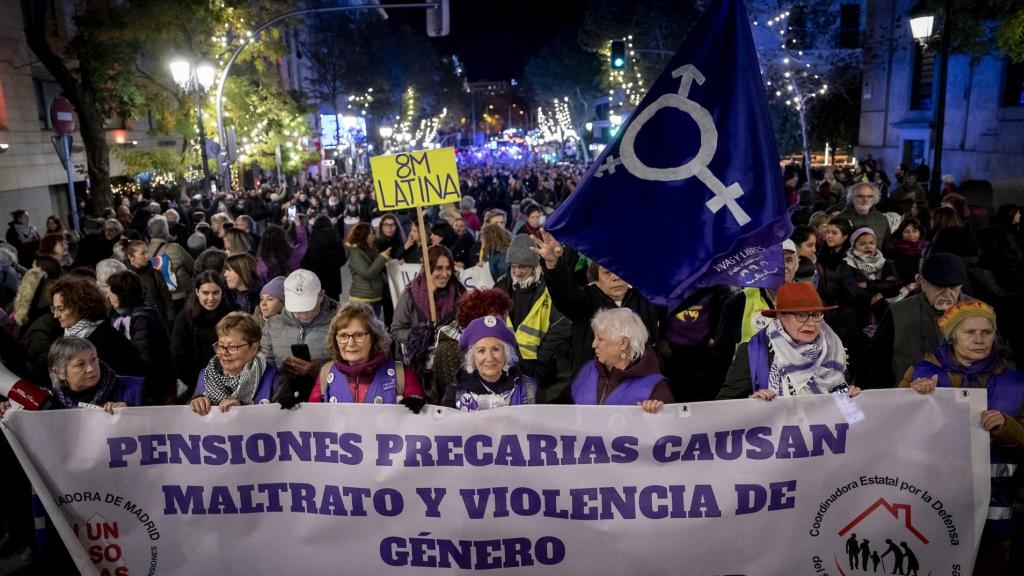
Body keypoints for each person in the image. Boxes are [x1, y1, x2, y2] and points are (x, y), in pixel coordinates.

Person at [901, 301, 1020, 574]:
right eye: (969, 332)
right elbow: (894, 432)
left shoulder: (1016, 382)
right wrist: (913, 400)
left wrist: (1006, 427)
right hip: (933, 500)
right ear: (952, 336)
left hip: (995, 506)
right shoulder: (920, 374)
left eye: (986, 332)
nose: (979, 339)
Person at [532, 229, 661, 381]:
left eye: (620, 271)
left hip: (637, 380)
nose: (616, 278)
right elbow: (564, 296)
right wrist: (554, 264)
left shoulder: (643, 299)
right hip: (592, 381)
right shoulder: (585, 299)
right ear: (596, 279)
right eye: (607, 273)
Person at [718, 282, 859, 400]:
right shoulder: (754, 351)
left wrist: (850, 400)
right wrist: (751, 404)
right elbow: (724, 406)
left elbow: (844, 411)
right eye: (801, 315)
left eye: (816, 315)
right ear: (780, 316)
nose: (811, 323)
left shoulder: (833, 349)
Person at [869, 253, 973, 389]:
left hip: (965, 396)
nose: (947, 294)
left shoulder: (979, 313)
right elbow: (877, 364)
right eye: (939, 287)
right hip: (908, 396)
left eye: (953, 288)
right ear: (923, 283)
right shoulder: (898, 314)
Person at [23, 275, 143, 386]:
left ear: (81, 306)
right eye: (54, 309)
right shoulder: (66, 336)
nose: (56, 315)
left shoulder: (107, 340)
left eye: (61, 309)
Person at [495, 234, 570, 393]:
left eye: (522, 266)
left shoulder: (549, 288)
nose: (517, 272)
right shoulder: (500, 287)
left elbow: (561, 326)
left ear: (534, 265)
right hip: (505, 365)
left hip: (540, 368)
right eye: (513, 266)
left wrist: (541, 361)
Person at [309, 302, 424, 405]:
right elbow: (312, 418)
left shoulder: (402, 374)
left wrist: (415, 408)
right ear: (335, 340)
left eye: (359, 335)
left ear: (374, 338)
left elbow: (421, 419)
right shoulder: (325, 374)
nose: (350, 343)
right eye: (343, 336)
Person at [0, 337, 143, 417]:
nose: (91, 368)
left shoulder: (136, 388)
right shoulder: (49, 403)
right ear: (60, 373)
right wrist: (13, 412)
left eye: (93, 359)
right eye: (80, 364)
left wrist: (132, 414)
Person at [569, 308, 672, 412]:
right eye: (594, 338)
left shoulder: (655, 386)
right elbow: (564, 407)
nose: (594, 344)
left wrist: (654, 414)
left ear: (623, 343)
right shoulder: (587, 370)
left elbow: (668, 420)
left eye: (600, 339)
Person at [261, 269, 339, 400]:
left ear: (321, 296)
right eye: (294, 307)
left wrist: (321, 372)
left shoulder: (339, 324)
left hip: (325, 401)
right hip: (283, 400)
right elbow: (264, 367)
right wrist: (280, 371)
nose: (299, 314)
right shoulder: (273, 325)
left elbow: (350, 367)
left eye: (305, 306)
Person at [190, 312, 287, 415]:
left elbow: (282, 420)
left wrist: (242, 411)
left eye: (232, 347)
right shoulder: (205, 376)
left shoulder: (275, 379)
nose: (224, 353)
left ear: (254, 347)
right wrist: (196, 402)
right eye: (221, 346)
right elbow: (190, 418)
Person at [440, 315, 538, 410]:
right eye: (481, 351)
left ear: (506, 354)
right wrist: (469, 420)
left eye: (496, 349)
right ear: (472, 357)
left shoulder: (530, 389)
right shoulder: (455, 394)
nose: (489, 358)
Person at [106, 270, 174, 404]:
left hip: (146, 387)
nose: (107, 295)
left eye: (110, 291)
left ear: (120, 295)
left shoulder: (142, 319)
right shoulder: (116, 316)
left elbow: (145, 361)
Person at [171, 270, 237, 395]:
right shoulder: (185, 317)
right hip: (196, 384)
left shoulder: (234, 314)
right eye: (205, 293)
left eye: (215, 292)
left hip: (231, 382)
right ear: (197, 292)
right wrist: (197, 383)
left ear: (222, 292)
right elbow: (178, 356)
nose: (211, 298)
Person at [391, 245, 466, 348]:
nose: (445, 274)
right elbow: (397, 329)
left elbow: (469, 325)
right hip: (421, 355)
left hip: (451, 354)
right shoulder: (410, 294)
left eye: (448, 268)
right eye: (439, 268)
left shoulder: (459, 292)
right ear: (428, 268)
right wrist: (418, 337)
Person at [147, 215, 195, 314]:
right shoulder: (175, 248)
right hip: (181, 295)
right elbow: (191, 266)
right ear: (165, 230)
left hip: (161, 298)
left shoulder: (145, 251)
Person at [122, 238, 175, 324]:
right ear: (131, 258)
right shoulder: (125, 278)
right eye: (142, 253)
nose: (147, 256)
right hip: (140, 323)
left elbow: (166, 297)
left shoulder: (156, 273)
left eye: (147, 252)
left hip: (161, 321)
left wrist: (170, 318)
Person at [345, 222, 390, 315]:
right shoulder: (355, 253)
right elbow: (367, 273)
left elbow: (377, 266)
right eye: (371, 233)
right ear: (364, 236)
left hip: (375, 297)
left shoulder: (371, 248)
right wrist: (382, 258)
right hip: (361, 299)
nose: (374, 236)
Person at [301, 215, 346, 301]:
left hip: (318, 280)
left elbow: (306, 263)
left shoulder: (313, 239)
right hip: (333, 279)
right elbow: (343, 259)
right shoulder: (336, 238)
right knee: (334, 303)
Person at [838, 182, 890, 248]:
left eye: (869, 196)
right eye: (860, 196)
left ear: (874, 198)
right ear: (852, 198)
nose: (865, 199)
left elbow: (887, 246)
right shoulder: (840, 219)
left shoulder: (882, 219)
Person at [887, 217, 928, 287]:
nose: (911, 234)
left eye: (914, 231)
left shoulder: (927, 250)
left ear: (920, 233)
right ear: (901, 233)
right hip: (899, 288)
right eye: (907, 231)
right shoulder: (893, 251)